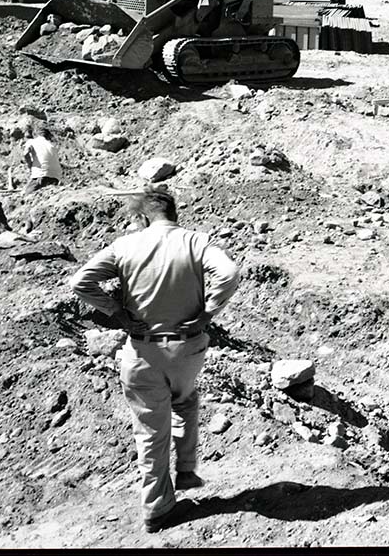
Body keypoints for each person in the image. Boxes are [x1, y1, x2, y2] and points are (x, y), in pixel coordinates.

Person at [69, 188, 240, 534]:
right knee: (186, 398)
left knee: (150, 432)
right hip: (187, 351)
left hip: (144, 351)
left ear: (143, 218)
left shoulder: (124, 246)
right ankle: (188, 468)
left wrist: (116, 311)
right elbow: (229, 272)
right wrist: (208, 313)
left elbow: (81, 282)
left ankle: (157, 508)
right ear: (173, 214)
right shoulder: (196, 242)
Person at [21, 118, 62, 193]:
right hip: (56, 177)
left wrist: (30, 165)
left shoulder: (32, 141)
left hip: (41, 174)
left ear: (36, 134)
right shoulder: (52, 146)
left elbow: (26, 153)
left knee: (27, 194)